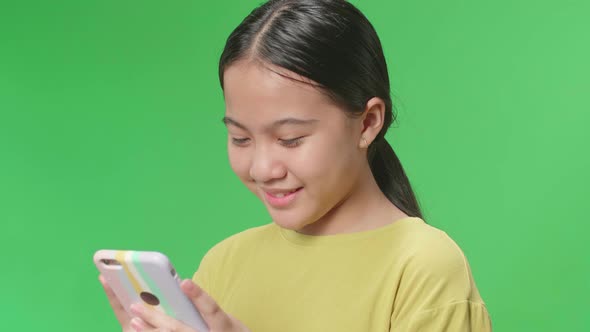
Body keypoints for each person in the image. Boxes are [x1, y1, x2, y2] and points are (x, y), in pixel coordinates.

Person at [98, 0, 493, 331]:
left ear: (368, 122)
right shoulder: (225, 263)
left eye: (290, 139)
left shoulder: (422, 267)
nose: (263, 167)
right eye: (240, 138)